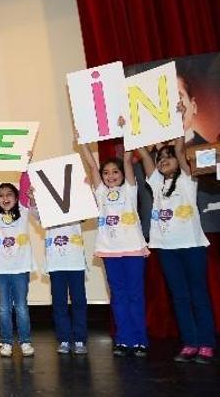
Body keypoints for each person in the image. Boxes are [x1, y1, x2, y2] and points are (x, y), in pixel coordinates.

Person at [137, 138, 215, 363]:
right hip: (166, 249)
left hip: (192, 246)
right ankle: (190, 343)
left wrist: (177, 124)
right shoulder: (156, 183)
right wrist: (130, 131)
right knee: (179, 297)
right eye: (159, 159)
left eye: (167, 157)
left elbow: (180, 149)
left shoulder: (187, 180)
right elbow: (143, 155)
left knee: (198, 295)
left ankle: (206, 344)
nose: (162, 161)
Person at [79, 123, 150, 357]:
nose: (110, 176)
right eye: (106, 172)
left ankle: (140, 340)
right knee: (118, 296)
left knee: (135, 295)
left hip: (133, 250)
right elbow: (91, 164)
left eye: (115, 172)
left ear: (122, 175)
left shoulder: (130, 189)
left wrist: (128, 132)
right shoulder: (100, 192)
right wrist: (84, 143)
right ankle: (124, 339)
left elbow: (128, 159)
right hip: (110, 251)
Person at [0, 161, 36, 357]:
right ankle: (7, 342)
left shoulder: (24, 209)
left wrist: (25, 167)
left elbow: (25, 184)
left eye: (9, 194)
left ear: (17, 197)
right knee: (3, 309)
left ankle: (25, 342)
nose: (5, 198)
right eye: (0, 196)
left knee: (20, 307)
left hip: (20, 268)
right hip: (1, 269)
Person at [27, 188, 88, 355]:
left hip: (75, 263)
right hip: (56, 264)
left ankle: (80, 338)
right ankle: (64, 339)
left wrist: (83, 188)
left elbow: (88, 210)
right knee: (59, 303)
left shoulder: (75, 208)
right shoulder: (48, 210)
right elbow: (35, 213)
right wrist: (33, 198)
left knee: (79, 302)